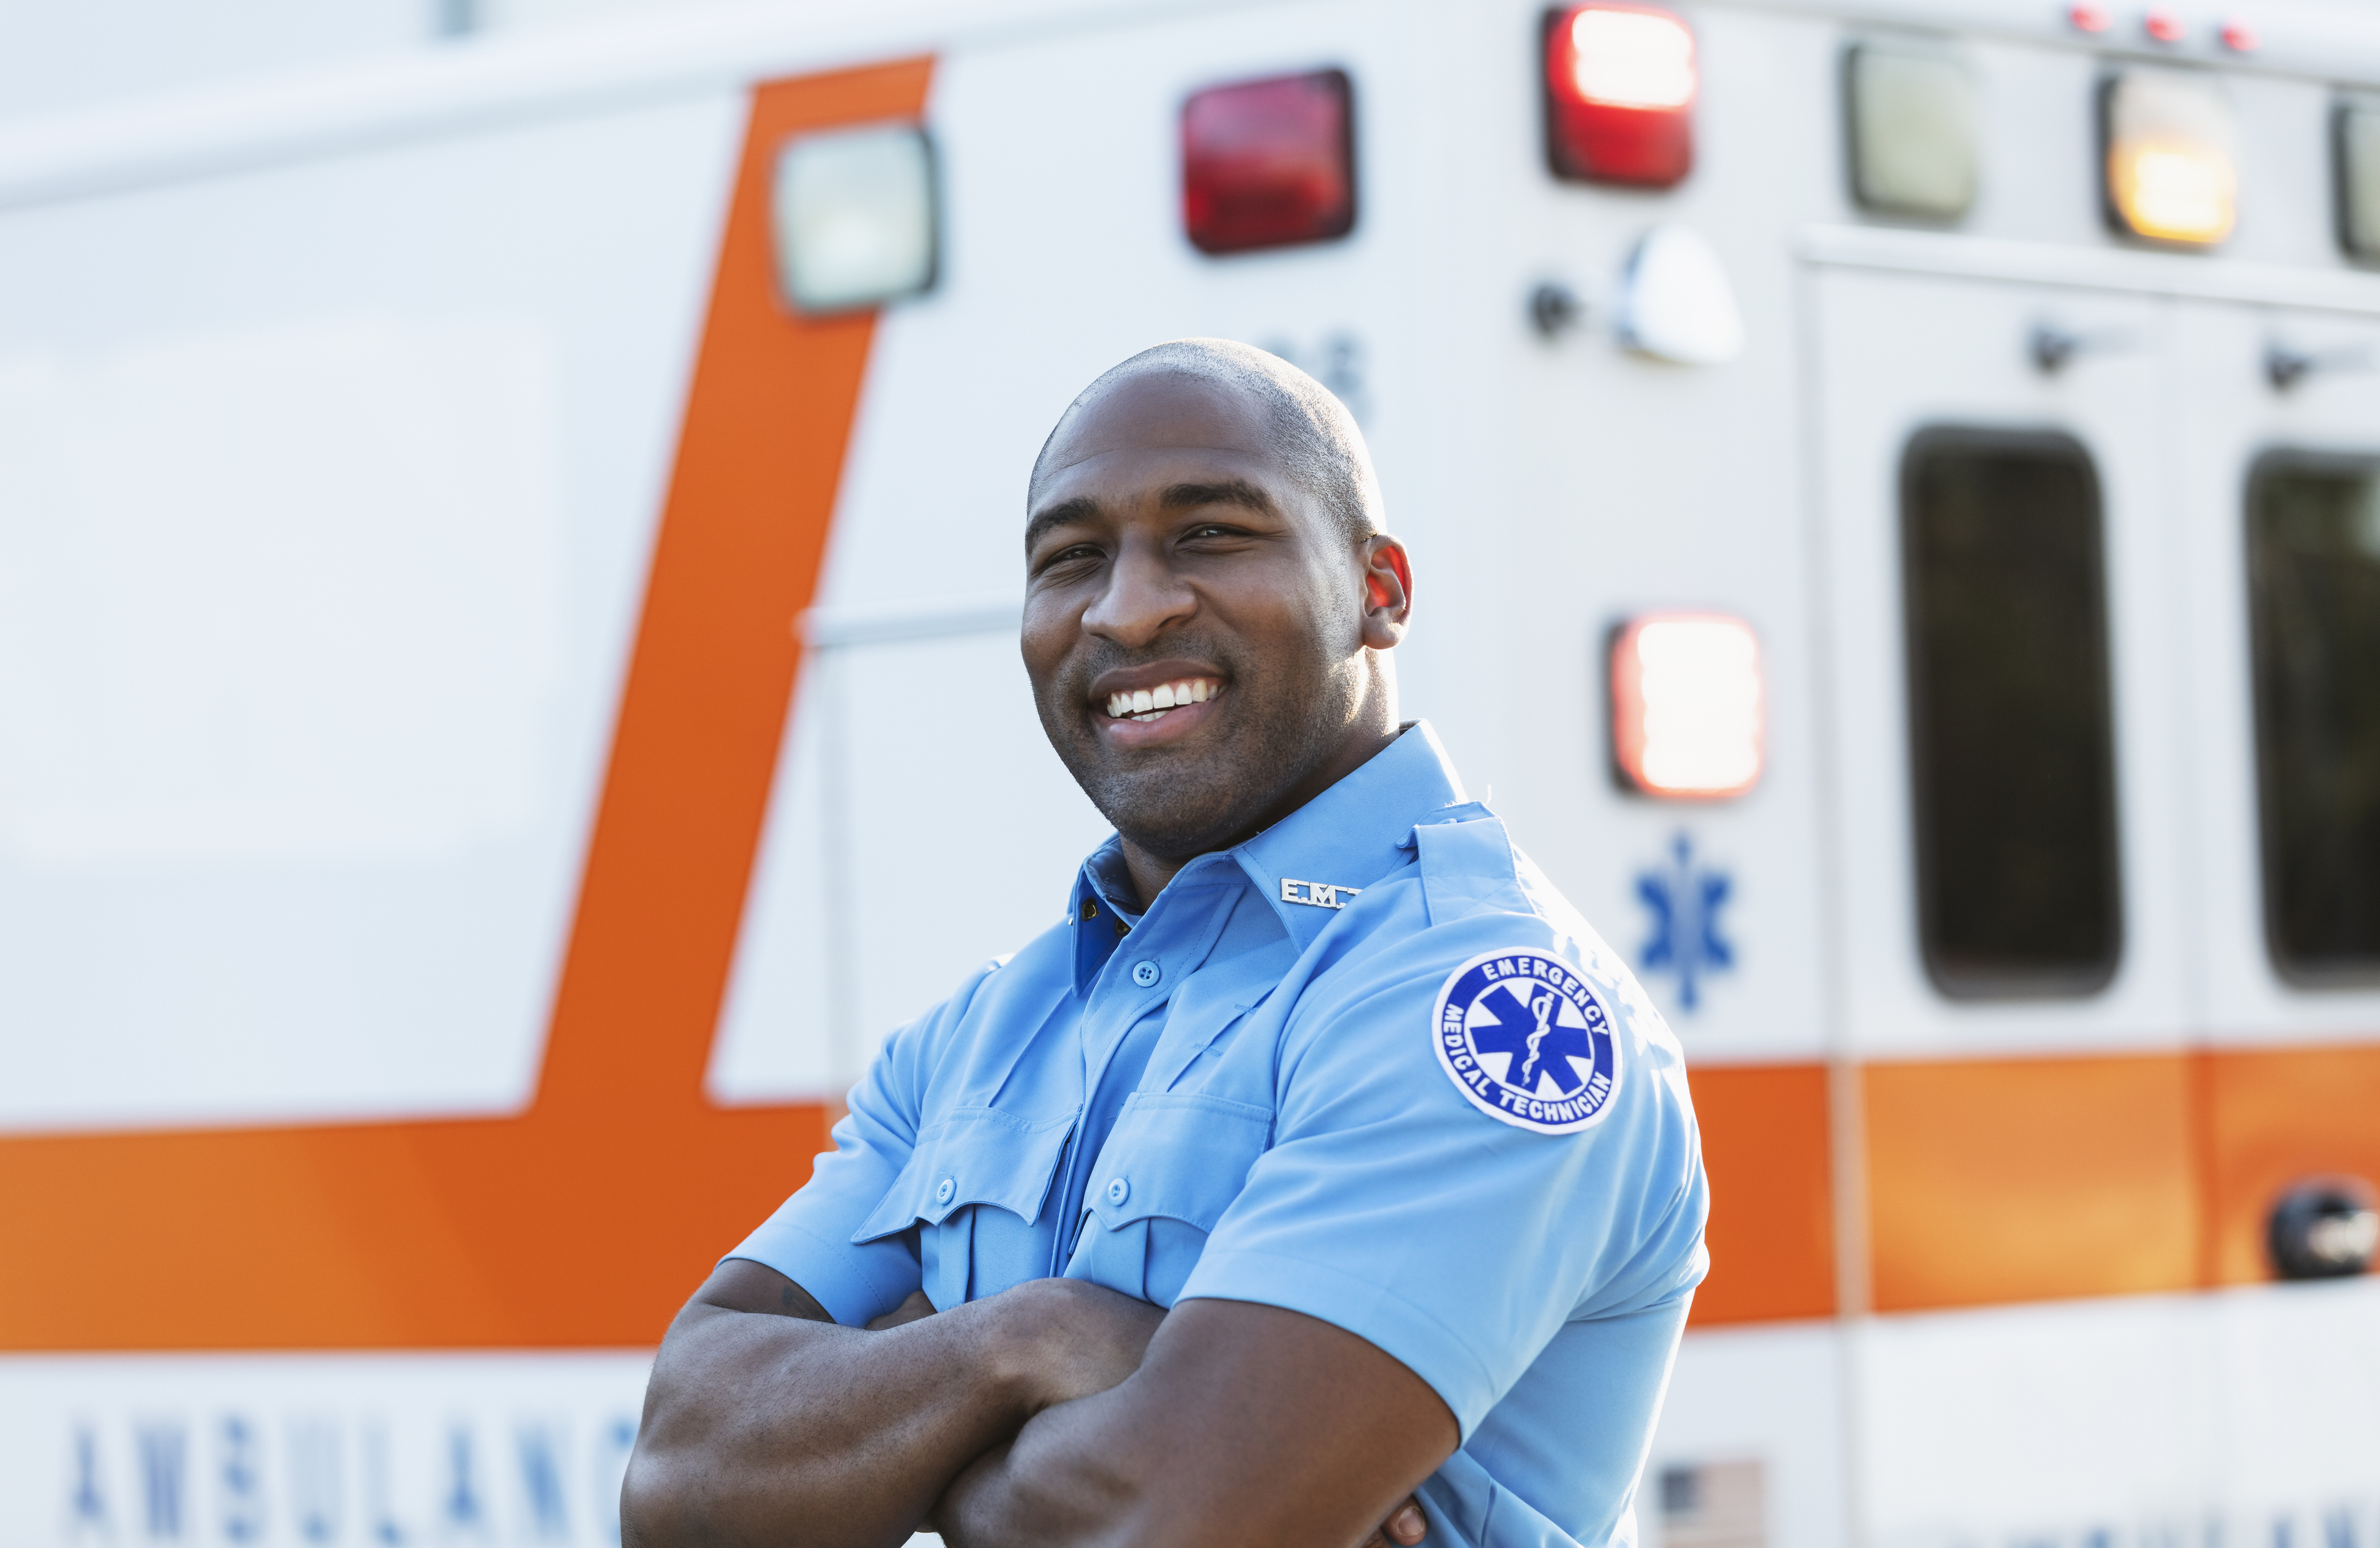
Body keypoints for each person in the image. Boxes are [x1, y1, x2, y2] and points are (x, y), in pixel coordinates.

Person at [620, 339, 1709, 1548]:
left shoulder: (1482, 1003)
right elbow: (681, 1482)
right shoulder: (978, 1035)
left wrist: (890, 1439)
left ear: (1379, 591)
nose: (1128, 606)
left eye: (1210, 534)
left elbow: (1168, 1523)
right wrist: (1028, 1336)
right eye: (1070, 559)